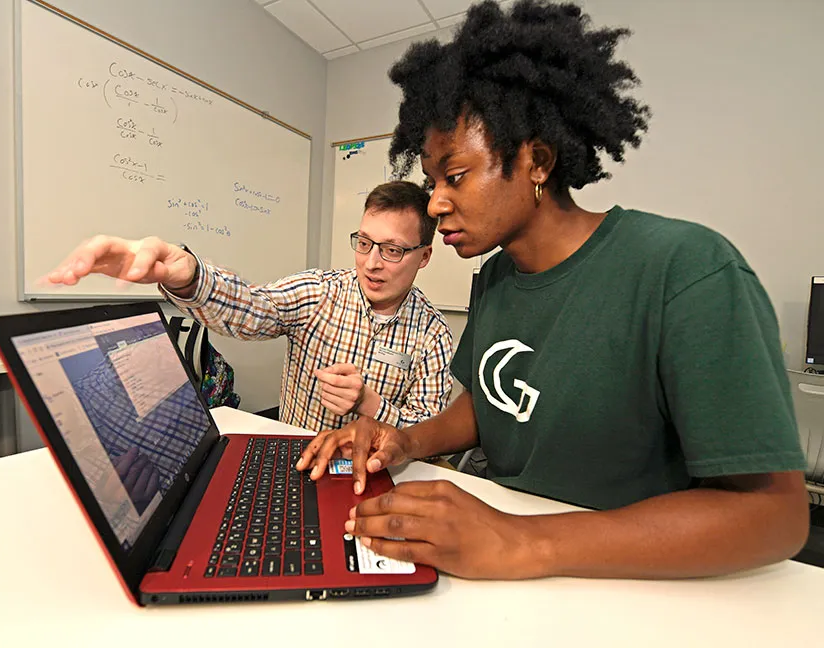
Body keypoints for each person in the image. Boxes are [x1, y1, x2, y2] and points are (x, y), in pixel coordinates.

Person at [297, 0, 809, 580]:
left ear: (537, 161)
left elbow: (776, 515)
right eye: (432, 181)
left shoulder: (686, 269)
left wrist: (523, 542)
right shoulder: (495, 276)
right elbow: (490, 405)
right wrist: (406, 441)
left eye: (455, 176)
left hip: (625, 581)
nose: (435, 203)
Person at [46, 181, 454, 432]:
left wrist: (370, 404)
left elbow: (428, 431)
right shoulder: (321, 292)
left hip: (376, 475)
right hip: (297, 461)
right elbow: (254, 308)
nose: (371, 262)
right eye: (363, 243)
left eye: (392, 250)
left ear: (424, 256)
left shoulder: (433, 334)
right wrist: (189, 276)